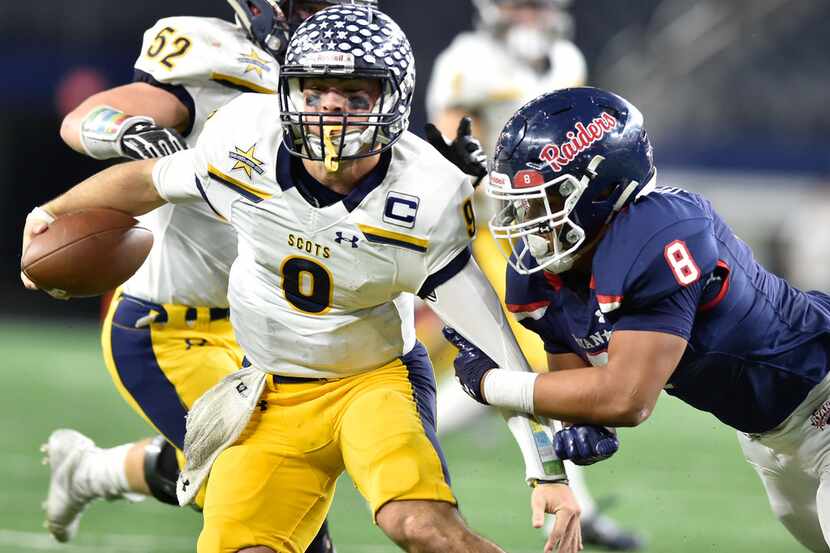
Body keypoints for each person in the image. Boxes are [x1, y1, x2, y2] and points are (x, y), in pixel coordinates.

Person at [23, 5, 589, 553]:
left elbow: (496, 346)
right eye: (314, 93)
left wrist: (546, 471)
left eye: (354, 96)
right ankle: (93, 471)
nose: (330, 112)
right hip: (263, 377)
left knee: (419, 525)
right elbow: (143, 176)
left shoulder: (430, 195)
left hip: (372, 377)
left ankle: (93, 471)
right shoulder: (245, 133)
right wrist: (52, 212)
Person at [42, 1, 375, 549]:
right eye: (316, 4)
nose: (329, 18)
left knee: (254, 473)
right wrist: (129, 133)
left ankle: (88, 471)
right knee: (274, 500)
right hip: (168, 328)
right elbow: (86, 116)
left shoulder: (348, 81)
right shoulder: (216, 54)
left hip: (260, 331)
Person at [444, 86, 830, 553]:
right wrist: (580, 428)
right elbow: (579, 388)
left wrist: (491, 384)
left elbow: (626, 399)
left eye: (543, 201)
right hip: (769, 436)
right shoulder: (546, 275)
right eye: (521, 204)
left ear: (601, 190)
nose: (528, 222)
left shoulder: (660, 233)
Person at [426, 2, 642, 549]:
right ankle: (575, 501)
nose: (532, 14)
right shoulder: (468, 58)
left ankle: (411, 429)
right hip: (491, 228)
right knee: (527, 358)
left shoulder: (565, 58)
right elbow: (452, 144)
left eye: (539, 3)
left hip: (552, 229)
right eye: (522, 3)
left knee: (516, 360)